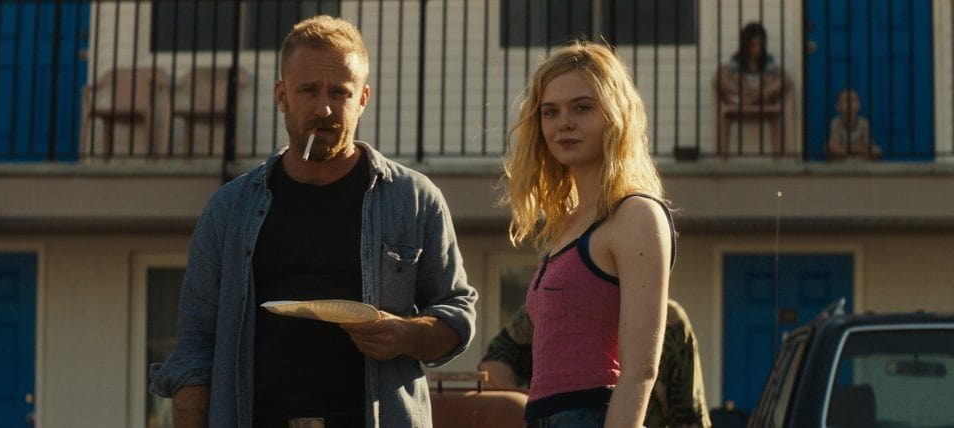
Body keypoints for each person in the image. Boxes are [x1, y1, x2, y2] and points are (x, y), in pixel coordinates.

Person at [148, 15, 477, 427]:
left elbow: (456, 311)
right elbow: (196, 345)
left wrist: (408, 335)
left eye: (340, 92)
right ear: (281, 96)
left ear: (362, 99)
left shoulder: (412, 198)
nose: (324, 108)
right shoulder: (229, 209)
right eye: (308, 90)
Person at [502, 39, 675, 428]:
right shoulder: (564, 222)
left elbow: (640, 370)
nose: (564, 122)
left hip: (592, 414)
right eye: (551, 111)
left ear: (614, 115)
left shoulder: (636, 215)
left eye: (582, 107)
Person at [478, 300, 712, 428]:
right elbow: (495, 361)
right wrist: (526, 407)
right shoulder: (552, 303)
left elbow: (689, 415)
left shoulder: (668, 320)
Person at [715, 22, 793, 157]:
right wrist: (743, 89)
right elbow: (726, 80)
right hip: (742, 95)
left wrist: (761, 91)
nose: (758, 48)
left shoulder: (768, 61)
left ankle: (752, 99)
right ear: (746, 45)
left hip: (763, 97)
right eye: (753, 45)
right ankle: (722, 157)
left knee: (783, 80)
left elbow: (780, 81)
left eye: (760, 44)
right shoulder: (737, 60)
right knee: (720, 78)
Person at [826, 89, 881, 160]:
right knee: (827, 147)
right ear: (837, 106)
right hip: (847, 159)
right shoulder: (835, 122)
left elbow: (870, 148)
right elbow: (833, 147)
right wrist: (859, 149)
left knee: (876, 150)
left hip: (850, 158)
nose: (850, 103)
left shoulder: (864, 123)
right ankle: (853, 158)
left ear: (859, 105)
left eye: (853, 100)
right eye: (846, 101)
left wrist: (844, 148)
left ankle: (852, 158)